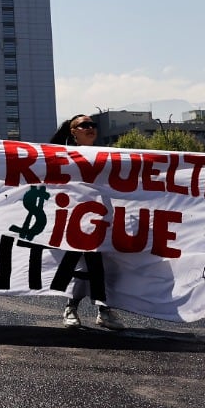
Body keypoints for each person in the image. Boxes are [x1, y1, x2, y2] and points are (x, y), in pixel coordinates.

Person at [48, 114, 125, 331]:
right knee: (80, 265)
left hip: (102, 221)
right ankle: (75, 308)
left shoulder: (106, 156)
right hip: (73, 221)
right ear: (73, 131)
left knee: (101, 267)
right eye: (84, 125)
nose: (90, 128)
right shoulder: (62, 155)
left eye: (93, 125)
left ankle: (101, 310)